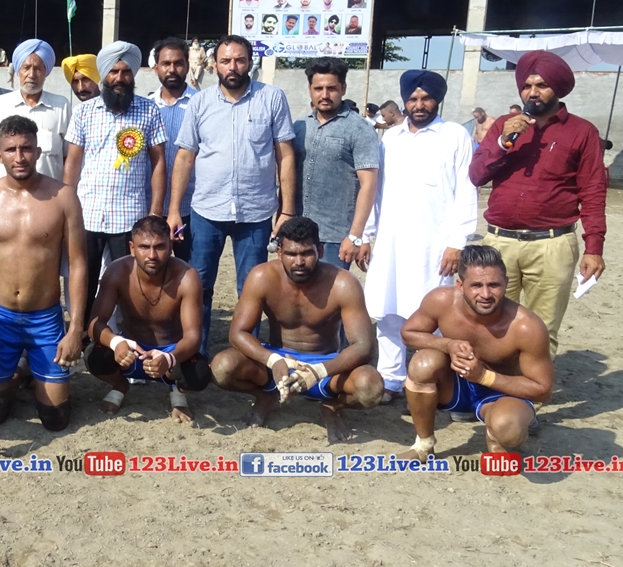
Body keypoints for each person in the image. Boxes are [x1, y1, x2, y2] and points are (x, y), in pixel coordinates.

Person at [470, 50, 607, 355]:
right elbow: (476, 175)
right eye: (527, 86)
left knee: (541, 331)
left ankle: (531, 385)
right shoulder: (504, 126)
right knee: (491, 324)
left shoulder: (582, 132)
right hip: (500, 242)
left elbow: (593, 191)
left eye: (541, 85)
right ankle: (493, 383)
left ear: (557, 87)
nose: (532, 92)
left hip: (552, 245)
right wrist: (503, 143)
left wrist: (594, 247)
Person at [169, 35, 297, 356]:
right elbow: (185, 157)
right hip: (207, 211)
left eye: (240, 60)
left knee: (251, 289)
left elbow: (285, 155)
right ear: (214, 65)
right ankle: (195, 354)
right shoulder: (200, 103)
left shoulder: (272, 98)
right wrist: (173, 210)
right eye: (225, 61)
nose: (233, 67)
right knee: (199, 286)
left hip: (255, 213)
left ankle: (246, 358)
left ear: (250, 63)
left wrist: (287, 210)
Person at [0, 116, 87, 430]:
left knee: (56, 420)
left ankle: (30, 366)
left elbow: (78, 264)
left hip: (45, 318)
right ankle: (18, 370)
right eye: (11, 149)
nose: (19, 157)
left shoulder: (63, 197)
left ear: (38, 151)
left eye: (26, 148)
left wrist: (75, 329)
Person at [211, 217, 383, 441]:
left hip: (325, 366)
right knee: (222, 367)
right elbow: (237, 333)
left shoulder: (343, 283)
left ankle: (332, 406)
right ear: (279, 252)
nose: (299, 261)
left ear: (320, 250)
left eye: (307, 253)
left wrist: (318, 371)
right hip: (278, 362)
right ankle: (265, 396)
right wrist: (273, 361)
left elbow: (364, 346)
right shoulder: (262, 277)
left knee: (371, 388)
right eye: (291, 254)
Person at [363, 70, 478, 400]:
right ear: (404, 101)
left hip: (435, 244)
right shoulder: (391, 139)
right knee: (389, 309)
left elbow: (466, 190)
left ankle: (438, 382)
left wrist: (457, 243)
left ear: (437, 100)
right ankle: (390, 379)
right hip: (391, 242)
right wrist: (367, 235)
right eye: (413, 99)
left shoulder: (454, 136)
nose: (419, 104)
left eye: (426, 98)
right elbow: (376, 193)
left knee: (437, 313)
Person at [400, 245, 553, 458]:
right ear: (460, 285)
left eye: (494, 285)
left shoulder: (526, 327)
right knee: (422, 363)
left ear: (506, 282)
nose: (486, 294)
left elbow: (542, 389)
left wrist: (483, 376)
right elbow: (408, 333)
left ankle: (499, 431)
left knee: (508, 428)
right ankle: (423, 445)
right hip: (456, 385)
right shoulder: (441, 301)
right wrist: (448, 344)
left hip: (503, 393)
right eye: (476, 285)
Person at [63, 41, 167, 320]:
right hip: (87, 215)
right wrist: (66, 210)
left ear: (133, 75)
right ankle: (81, 333)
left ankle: (126, 336)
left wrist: (155, 213)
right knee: (83, 280)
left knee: (130, 282)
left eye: (126, 72)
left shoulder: (149, 111)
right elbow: (72, 163)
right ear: (104, 75)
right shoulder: (84, 112)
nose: (120, 77)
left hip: (129, 217)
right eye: (113, 72)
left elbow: (159, 163)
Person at [87, 216, 208, 422]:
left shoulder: (187, 276)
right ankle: (120, 385)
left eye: (159, 247)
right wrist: (117, 343)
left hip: (172, 353)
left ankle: (176, 390)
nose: (152, 255)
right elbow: (94, 324)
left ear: (170, 247)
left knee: (199, 374)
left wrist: (169, 358)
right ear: (132, 248)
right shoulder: (118, 272)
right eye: (144, 247)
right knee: (94, 356)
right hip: (132, 351)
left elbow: (193, 337)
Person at [291, 57, 379, 270]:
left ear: (343, 88)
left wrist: (355, 236)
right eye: (318, 88)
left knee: (330, 291)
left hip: (335, 238)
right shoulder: (299, 126)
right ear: (310, 89)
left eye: (331, 88)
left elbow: (368, 184)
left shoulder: (360, 129)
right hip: (298, 232)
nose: (324, 95)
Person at [0, 38, 71, 182]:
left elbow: (69, 157)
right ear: (18, 70)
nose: (31, 74)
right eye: (26, 68)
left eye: (38, 69)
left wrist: (67, 192)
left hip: (50, 193)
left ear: (46, 72)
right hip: (8, 194)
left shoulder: (61, 106)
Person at [149, 37, 198, 261]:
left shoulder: (201, 103)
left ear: (187, 66)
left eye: (178, 63)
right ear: (156, 68)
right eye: (166, 64)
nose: (172, 69)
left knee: (190, 271)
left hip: (191, 209)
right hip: (152, 206)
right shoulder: (145, 106)